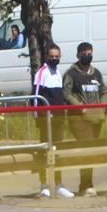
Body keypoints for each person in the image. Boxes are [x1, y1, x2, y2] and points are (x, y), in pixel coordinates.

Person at [62, 42, 105, 196]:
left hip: (96, 118)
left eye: (90, 53)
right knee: (86, 150)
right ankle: (85, 185)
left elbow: (104, 92)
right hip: (79, 119)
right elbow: (66, 93)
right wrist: (80, 106)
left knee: (92, 152)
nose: (87, 55)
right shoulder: (71, 74)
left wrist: (103, 106)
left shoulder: (96, 73)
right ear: (78, 54)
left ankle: (87, 183)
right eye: (84, 53)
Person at [33, 43, 74, 199]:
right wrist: (39, 117)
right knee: (45, 152)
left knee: (57, 152)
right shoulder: (41, 73)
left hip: (58, 119)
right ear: (46, 57)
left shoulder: (58, 72)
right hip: (46, 120)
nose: (54, 59)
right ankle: (44, 185)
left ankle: (58, 184)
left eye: (57, 57)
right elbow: (36, 97)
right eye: (52, 56)